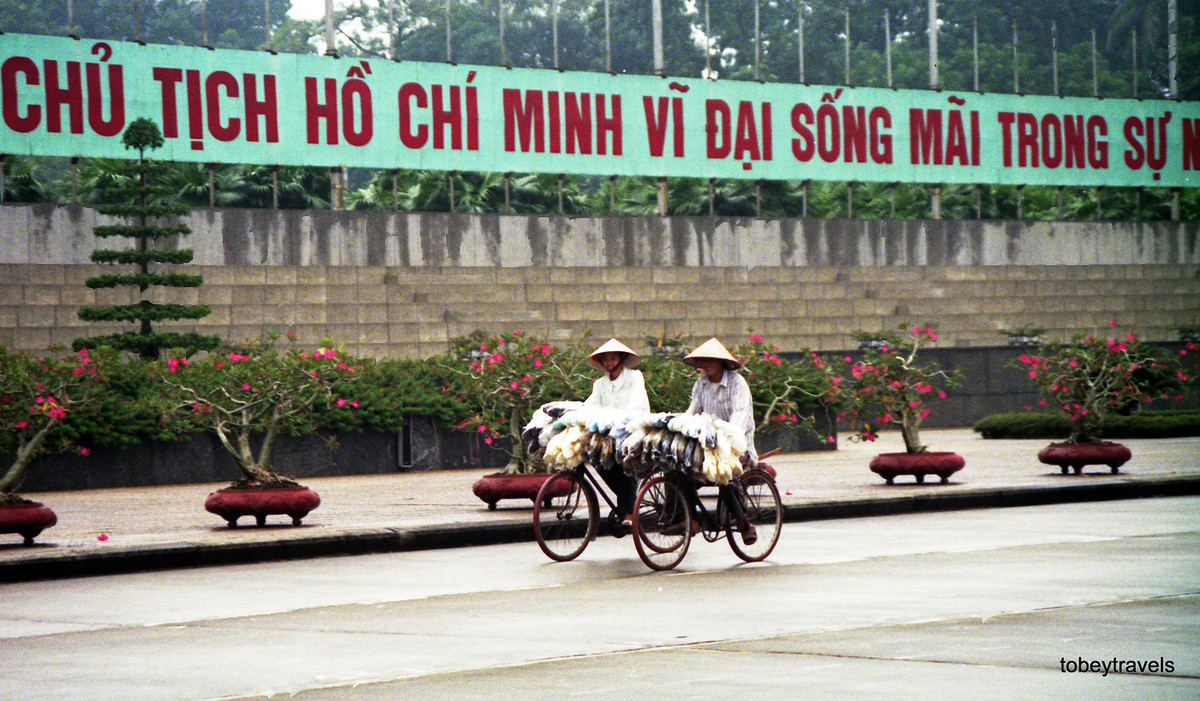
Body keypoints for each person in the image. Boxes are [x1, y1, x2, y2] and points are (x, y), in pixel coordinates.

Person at [679, 337, 758, 544]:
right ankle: (690, 519)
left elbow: (740, 420)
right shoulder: (701, 384)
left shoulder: (737, 384)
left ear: (722, 362)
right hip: (708, 446)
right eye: (702, 361)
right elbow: (692, 412)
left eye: (710, 360)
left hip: (737, 446)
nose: (705, 365)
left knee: (723, 474)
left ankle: (745, 525)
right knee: (679, 469)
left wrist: (724, 440)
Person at [583, 338, 649, 526]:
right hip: (608, 433)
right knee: (599, 460)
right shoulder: (600, 385)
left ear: (620, 359)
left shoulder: (634, 377)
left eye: (613, 358)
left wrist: (615, 420)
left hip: (632, 430)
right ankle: (626, 503)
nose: (609, 363)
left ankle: (629, 512)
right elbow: (592, 405)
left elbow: (636, 406)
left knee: (626, 463)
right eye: (606, 359)